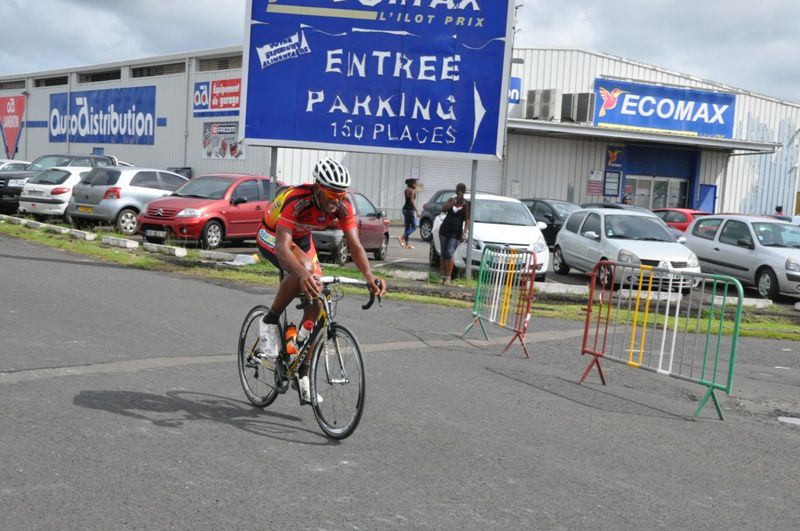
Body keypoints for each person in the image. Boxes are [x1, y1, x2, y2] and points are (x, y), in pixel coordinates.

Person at [254, 158, 387, 403]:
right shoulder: (298, 199)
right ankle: (270, 319)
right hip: (272, 234)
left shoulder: (343, 206)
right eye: (329, 194)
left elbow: (356, 246)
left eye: (340, 195)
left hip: (301, 238)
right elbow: (283, 248)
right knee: (304, 269)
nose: (335, 201)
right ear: (317, 187)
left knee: (317, 302)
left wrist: (369, 275)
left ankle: (301, 370)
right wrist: (303, 274)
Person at [438, 183, 470, 285]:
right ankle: (442, 276)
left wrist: (465, 232)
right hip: (445, 229)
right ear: (456, 191)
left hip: (456, 232)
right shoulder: (451, 200)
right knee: (443, 253)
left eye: (461, 191)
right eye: (457, 190)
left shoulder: (467, 204)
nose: (459, 192)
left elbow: (467, 219)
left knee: (449, 252)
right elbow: (443, 209)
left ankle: (448, 277)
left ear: (464, 192)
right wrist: (454, 202)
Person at [399, 178, 419, 249]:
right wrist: (416, 211)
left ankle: (407, 244)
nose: (416, 184)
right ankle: (402, 237)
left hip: (404, 209)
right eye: (415, 183)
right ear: (411, 184)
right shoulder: (412, 191)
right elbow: (412, 201)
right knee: (414, 227)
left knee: (407, 227)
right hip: (410, 210)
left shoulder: (406, 190)